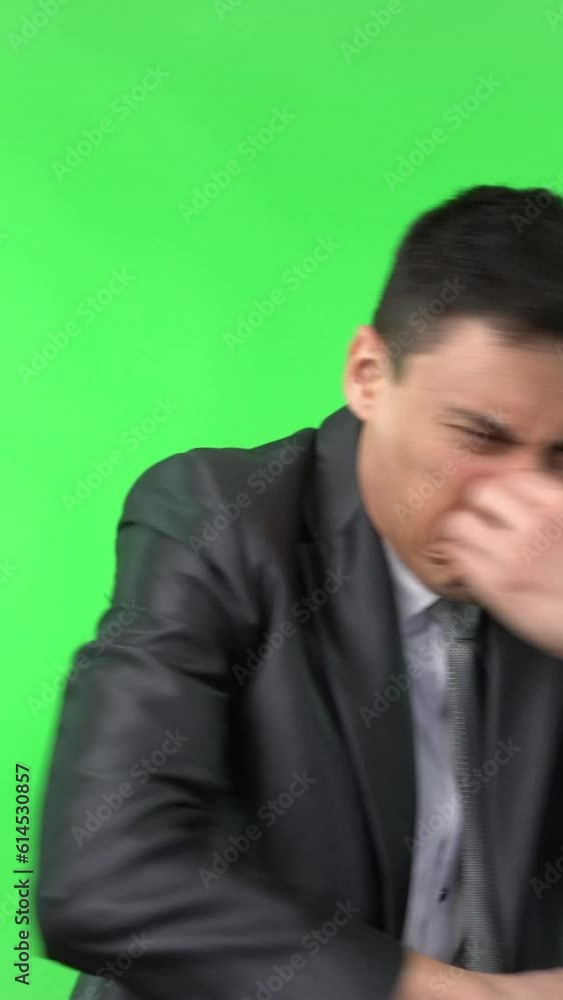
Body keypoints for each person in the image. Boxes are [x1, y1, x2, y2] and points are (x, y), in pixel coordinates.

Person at [38, 185, 563, 1000]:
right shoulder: (221, 520)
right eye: (476, 436)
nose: (526, 502)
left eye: (560, 458)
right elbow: (102, 881)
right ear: (367, 375)